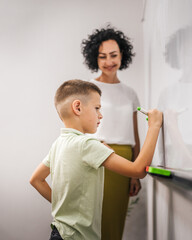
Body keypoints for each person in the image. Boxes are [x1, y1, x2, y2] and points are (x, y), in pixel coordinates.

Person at [30, 79, 162, 240]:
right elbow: (138, 170)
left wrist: (64, 207)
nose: (101, 115)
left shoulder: (59, 144)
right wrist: (154, 126)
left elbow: (36, 179)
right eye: (97, 108)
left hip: (60, 231)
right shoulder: (87, 145)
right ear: (77, 107)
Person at [81, 26, 141, 239]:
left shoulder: (130, 93)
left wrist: (136, 172)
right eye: (102, 56)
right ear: (94, 58)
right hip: (98, 155)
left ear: (122, 55)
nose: (109, 61)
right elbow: (81, 128)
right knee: (95, 219)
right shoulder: (88, 88)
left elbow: (134, 136)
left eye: (113, 55)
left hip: (124, 158)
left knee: (115, 219)